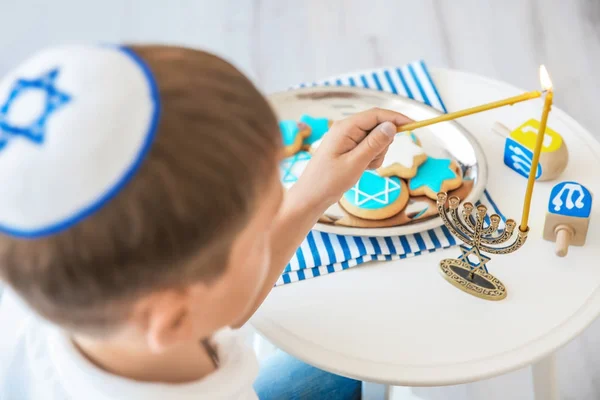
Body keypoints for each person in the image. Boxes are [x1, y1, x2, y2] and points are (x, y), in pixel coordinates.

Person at [0, 44, 411, 399]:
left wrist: (314, 192)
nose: (269, 231)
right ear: (177, 317)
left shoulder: (71, 280)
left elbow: (214, 311)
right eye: (259, 236)